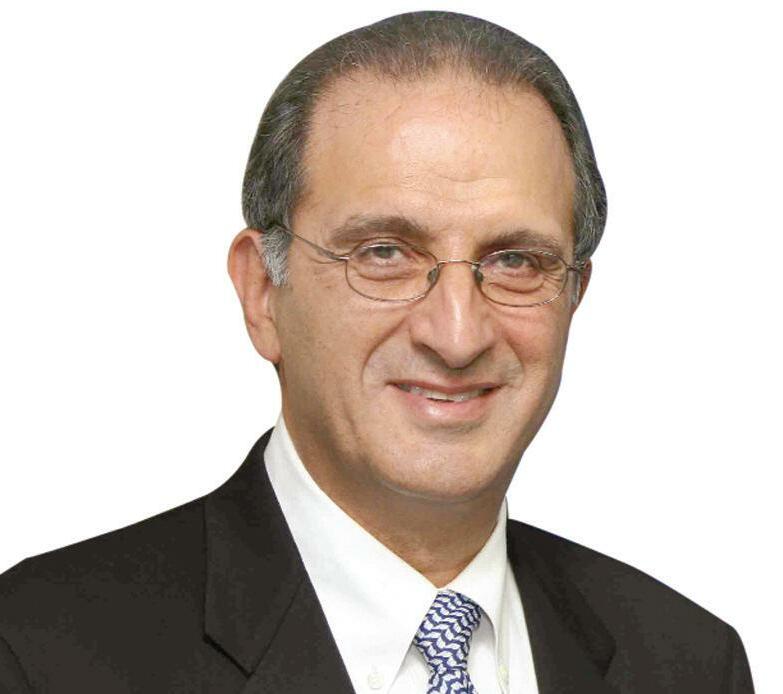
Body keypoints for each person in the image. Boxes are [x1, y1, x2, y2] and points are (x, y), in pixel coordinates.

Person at [0, 10, 754, 693]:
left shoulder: (688, 663)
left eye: (514, 261)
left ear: (573, 296)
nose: (456, 335)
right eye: (384, 253)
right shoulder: (38, 654)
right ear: (262, 292)